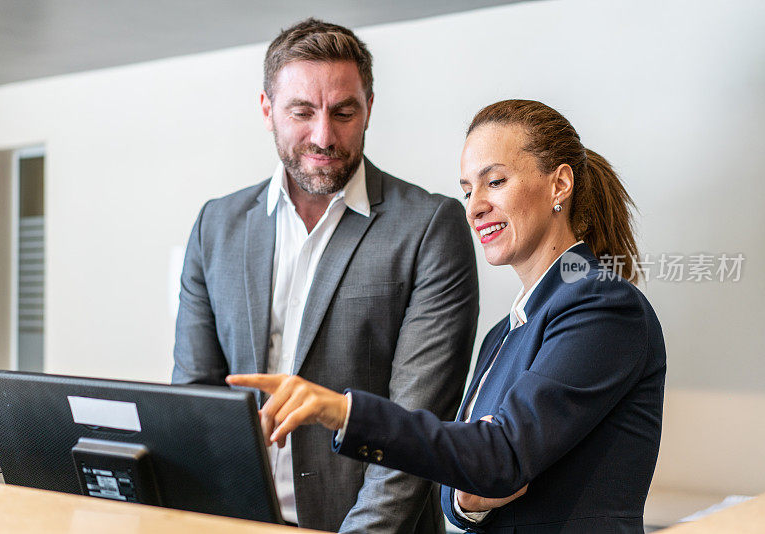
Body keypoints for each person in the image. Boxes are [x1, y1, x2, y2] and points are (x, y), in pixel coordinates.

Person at [228, 99, 667, 533]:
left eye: (494, 182)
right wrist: (464, 494)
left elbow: (496, 459)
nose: (474, 206)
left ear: (559, 185)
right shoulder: (502, 334)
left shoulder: (604, 306)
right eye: (466, 190)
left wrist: (343, 411)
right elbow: (463, 478)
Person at [172, 18, 479, 533]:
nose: (324, 135)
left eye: (343, 112)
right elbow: (193, 403)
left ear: (369, 109)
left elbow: (415, 427)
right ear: (267, 109)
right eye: (302, 112)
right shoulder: (216, 226)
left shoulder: (430, 227)